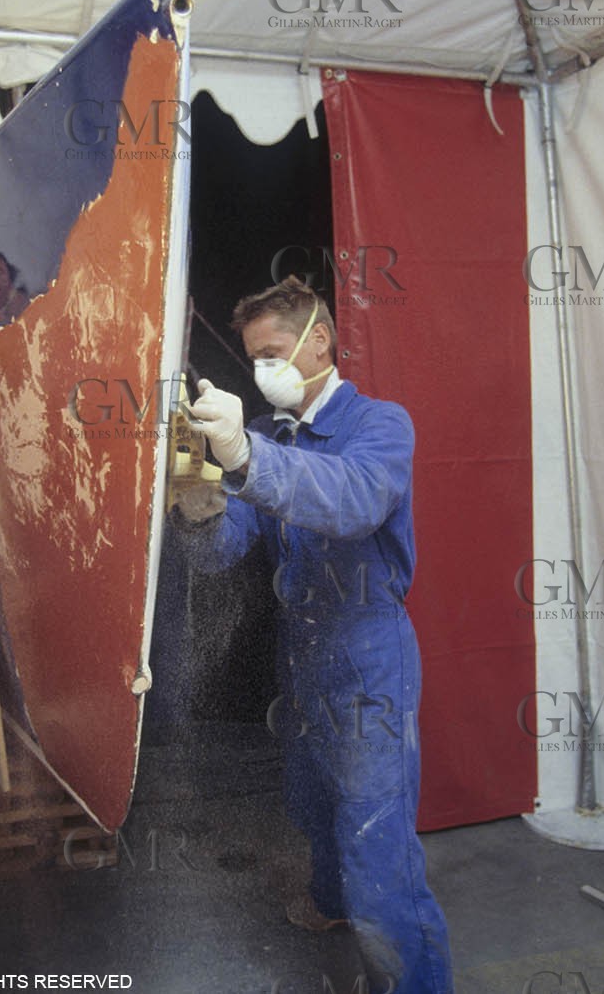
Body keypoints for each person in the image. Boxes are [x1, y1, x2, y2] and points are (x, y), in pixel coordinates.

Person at [180, 276, 454, 993]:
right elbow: (226, 552)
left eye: (273, 353)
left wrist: (244, 460)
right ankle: (331, 904)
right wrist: (202, 506)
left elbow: (352, 499)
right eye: (253, 359)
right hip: (302, 653)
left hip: (367, 656)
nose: (262, 369)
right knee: (313, 801)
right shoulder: (270, 434)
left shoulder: (380, 425)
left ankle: (417, 982)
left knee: (375, 847)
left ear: (320, 340)